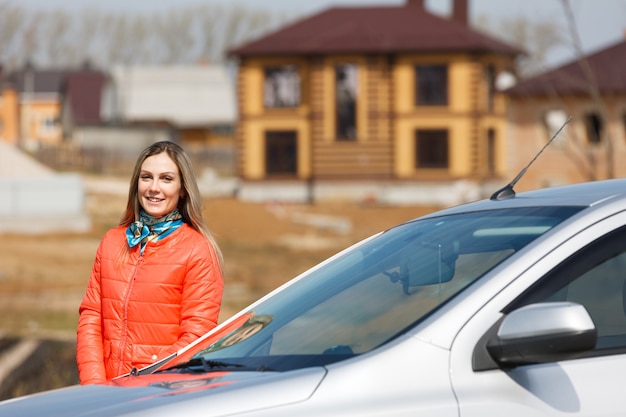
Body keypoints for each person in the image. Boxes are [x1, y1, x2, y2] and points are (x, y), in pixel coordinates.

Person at [76, 141, 224, 385]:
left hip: (161, 392)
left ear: (183, 188)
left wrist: (144, 383)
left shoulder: (198, 250)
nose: (154, 188)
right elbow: (91, 318)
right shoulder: (112, 241)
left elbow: (197, 336)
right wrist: (94, 385)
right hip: (106, 392)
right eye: (147, 177)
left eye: (166, 179)